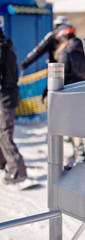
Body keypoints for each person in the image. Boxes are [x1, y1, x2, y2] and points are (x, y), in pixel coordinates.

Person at [55, 26, 85, 169]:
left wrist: (49, 91)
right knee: (79, 125)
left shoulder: (65, 52)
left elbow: (60, 75)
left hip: (69, 93)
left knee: (70, 127)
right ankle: (79, 154)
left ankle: (77, 156)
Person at [0, 29, 27, 184]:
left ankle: (18, 171)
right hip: (8, 96)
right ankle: (4, 163)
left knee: (4, 133)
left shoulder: (2, 51)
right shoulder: (8, 49)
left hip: (5, 97)